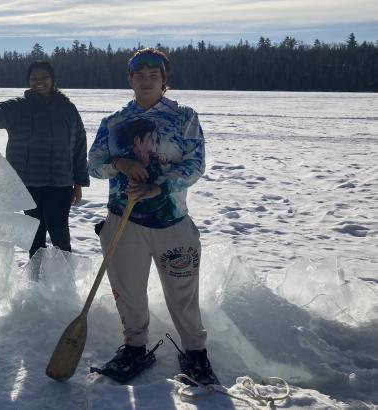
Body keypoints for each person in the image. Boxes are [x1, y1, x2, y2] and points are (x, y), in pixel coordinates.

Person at [87, 48, 218, 385]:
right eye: (139, 76)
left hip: (171, 221)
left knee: (182, 293)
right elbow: (93, 164)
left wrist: (160, 188)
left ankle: (195, 353)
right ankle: (134, 348)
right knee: (128, 291)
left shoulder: (184, 117)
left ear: (164, 80)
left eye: (153, 75)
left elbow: (195, 164)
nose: (146, 81)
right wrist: (119, 163)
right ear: (129, 79)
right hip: (123, 221)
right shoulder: (114, 121)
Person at [0, 61, 90, 257]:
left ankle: (65, 277)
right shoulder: (20, 107)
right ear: (29, 81)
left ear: (52, 80)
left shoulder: (67, 109)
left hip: (60, 184)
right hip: (29, 184)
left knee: (60, 232)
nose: (39, 81)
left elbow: (79, 146)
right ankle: (36, 280)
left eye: (44, 77)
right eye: (34, 78)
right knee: (35, 236)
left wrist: (78, 183)